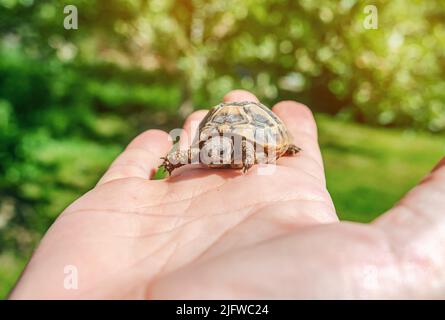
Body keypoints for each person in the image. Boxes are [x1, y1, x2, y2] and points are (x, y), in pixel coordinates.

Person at [9, 90, 445, 299]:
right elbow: (196, 151)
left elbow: (242, 148)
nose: (219, 155)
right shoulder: (207, 148)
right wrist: (178, 161)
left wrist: (263, 152)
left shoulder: (247, 148)